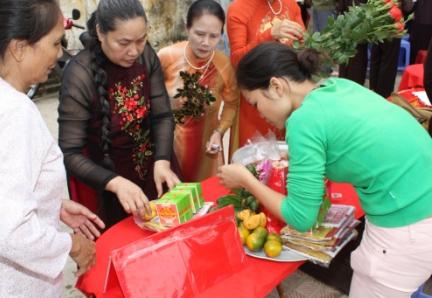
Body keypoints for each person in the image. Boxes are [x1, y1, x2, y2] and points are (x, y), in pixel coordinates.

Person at [218, 42, 432, 297]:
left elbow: (301, 217)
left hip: (407, 224)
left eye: (255, 103)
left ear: (276, 86)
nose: (259, 113)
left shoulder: (303, 120)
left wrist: (246, 179)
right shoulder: (338, 86)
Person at [0, 0, 102, 296]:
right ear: (19, 48)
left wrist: (50, 203)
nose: (60, 53)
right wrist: (73, 245)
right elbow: (11, 231)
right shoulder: (14, 112)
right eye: (53, 43)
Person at [58, 0, 180, 228]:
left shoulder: (145, 56)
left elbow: (162, 115)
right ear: (100, 33)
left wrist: (162, 160)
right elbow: (70, 153)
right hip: (111, 182)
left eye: (141, 40)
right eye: (123, 42)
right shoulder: (79, 75)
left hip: (155, 167)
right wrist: (115, 183)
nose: (134, 51)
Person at [157, 0, 239, 182]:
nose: (206, 43)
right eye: (199, 34)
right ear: (187, 29)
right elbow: (149, 97)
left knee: (207, 202)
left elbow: (232, 103)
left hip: (207, 152)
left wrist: (219, 132)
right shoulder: (167, 57)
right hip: (170, 150)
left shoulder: (223, 65)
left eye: (214, 36)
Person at [227, 0, 305, 147]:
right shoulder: (238, 8)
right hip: (257, 101)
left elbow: (303, 46)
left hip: (288, 99)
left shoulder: (291, 5)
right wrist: (270, 34)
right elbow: (237, 60)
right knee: (255, 159)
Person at [338, 0, 413, 98]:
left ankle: (373, 90)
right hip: (390, 23)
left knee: (375, 58)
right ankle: (383, 94)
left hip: (373, 22)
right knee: (387, 62)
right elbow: (408, 7)